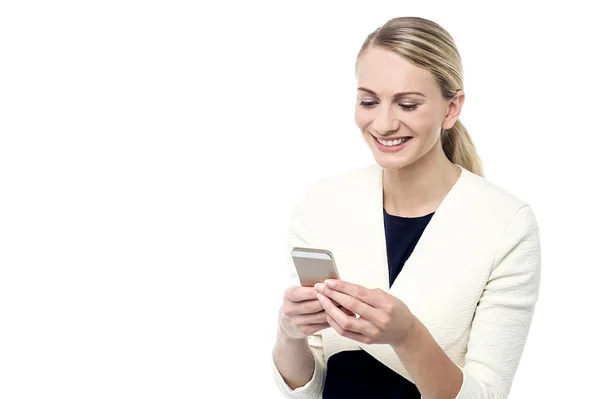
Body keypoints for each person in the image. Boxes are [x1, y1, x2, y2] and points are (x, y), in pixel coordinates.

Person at [271, 16, 541, 399]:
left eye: (408, 104)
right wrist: (289, 331)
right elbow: (308, 387)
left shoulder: (506, 224)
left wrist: (408, 336)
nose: (383, 123)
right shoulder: (320, 206)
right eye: (368, 101)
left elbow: (486, 395)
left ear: (452, 108)